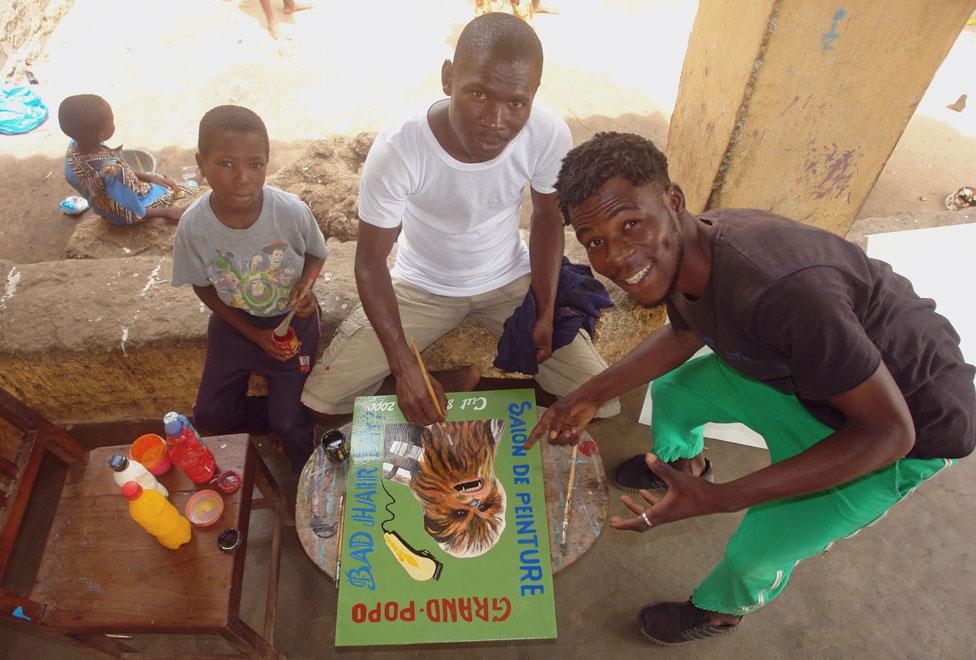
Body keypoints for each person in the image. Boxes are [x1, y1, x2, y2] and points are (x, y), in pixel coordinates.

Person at [528, 131, 975, 645]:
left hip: (904, 428)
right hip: (813, 382)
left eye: (630, 223)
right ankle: (684, 469)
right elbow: (686, 329)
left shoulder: (780, 291)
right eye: (595, 241)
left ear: (673, 201)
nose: (618, 257)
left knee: (757, 550)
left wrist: (723, 498)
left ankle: (721, 613)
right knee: (676, 392)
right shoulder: (690, 249)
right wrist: (587, 392)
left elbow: (888, 433)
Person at [300, 12, 618, 426]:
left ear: (533, 97)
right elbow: (370, 261)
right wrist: (405, 367)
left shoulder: (546, 133)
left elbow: (546, 219)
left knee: (602, 400)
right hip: (422, 285)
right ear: (448, 78)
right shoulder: (400, 148)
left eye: (516, 103)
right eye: (479, 94)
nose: (495, 121)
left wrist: (545, 306)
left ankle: (504, 389)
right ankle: (444, 381)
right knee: (324, 399)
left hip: (509, 279)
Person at [171, 105, 328, 471]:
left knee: (291, 424)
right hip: (235, 325)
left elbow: (316, 255)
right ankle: (267, 422)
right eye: (226, 163)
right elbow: (203, 287)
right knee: (211, 414)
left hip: (291, 324)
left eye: (255, 164)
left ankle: (305, 467)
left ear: (267, 163)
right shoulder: (193, 227)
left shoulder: (290, 211)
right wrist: (253, 335)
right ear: (201, 162)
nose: (242, 178)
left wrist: (305, 289)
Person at [58, 94, 195, 226]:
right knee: (180, 190)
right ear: (100, 136)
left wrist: (149, 177)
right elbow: (130, 211)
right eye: (111, 119)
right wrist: (166, 212)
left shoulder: (74, 148)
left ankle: (192, 178)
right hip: (130, 212)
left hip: (108, 204)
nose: (114, 121)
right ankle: (195, 180)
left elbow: (109, 180)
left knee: (159, 179)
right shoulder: (112, 171)